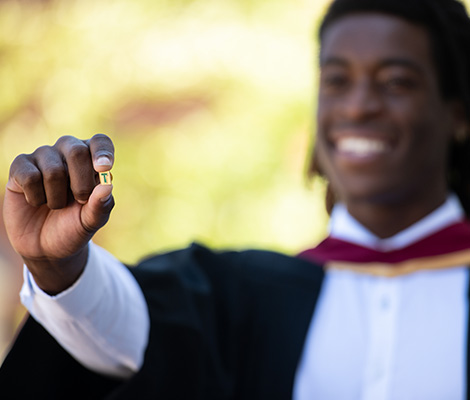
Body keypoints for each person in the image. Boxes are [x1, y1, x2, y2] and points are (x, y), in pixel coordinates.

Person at [2, 0, 470, 398]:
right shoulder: (240, 297)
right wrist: (59, 269)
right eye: (337, 81)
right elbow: (138, 328)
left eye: (396, 82)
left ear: (458, 115)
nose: (358, 105)